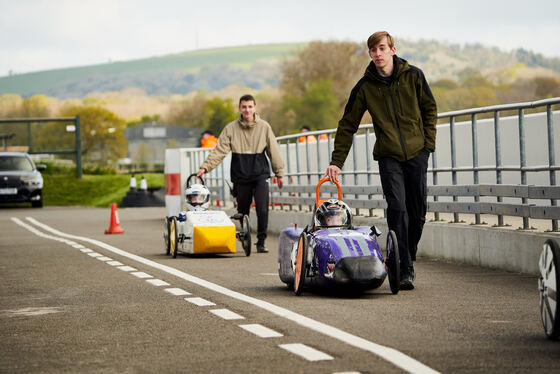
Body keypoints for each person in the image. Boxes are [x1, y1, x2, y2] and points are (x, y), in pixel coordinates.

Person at [324, 31, 437, 290]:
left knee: (418, 213)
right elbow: (347, 125)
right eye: (373, 50)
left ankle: (406, 253)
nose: (378, 54)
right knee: (398, 208)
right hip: (388, 156)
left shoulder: (414, 76)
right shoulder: (365, 87)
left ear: (392, 50)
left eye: (382, 48)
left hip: (417, 153)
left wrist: (427, 146)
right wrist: (336, 162)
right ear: (370, 54)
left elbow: (430, 109)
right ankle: (404, 266)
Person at [196, 94, 285, 253]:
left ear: (255, 108)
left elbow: (274, 151)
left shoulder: (264, 127)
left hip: (260, 174)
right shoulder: (230, 129)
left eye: (250, 106)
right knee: (242, 210)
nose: (247, 110)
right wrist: (205, 167)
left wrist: (280, 174)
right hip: (241, 175)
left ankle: (261, 241)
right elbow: (219, 151)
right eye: (244, 107)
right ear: (239, 108)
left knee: (262, 208)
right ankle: (245, 236)